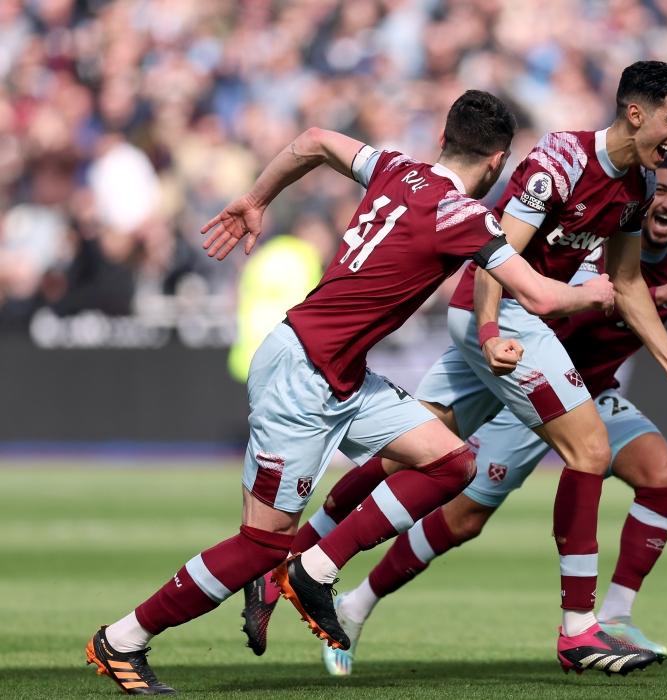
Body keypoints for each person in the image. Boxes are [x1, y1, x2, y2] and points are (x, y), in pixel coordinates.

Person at [84, 89, 614, 695]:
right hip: (302, 376)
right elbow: (540, 295)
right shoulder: (465, 218)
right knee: (259, 546)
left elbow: (313, 140)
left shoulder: (395, 168)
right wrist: (594, 293)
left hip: (341, 374)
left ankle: (314, 567)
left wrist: (256, 199)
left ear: (443, 139)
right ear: (498, 163)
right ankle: (122, 639)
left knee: (451, 461)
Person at [300, 153, 667, 676]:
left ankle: (614, 618)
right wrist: (662, 295)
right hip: (533, 390)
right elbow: (566, 321)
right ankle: (354, 598)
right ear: (643, 200)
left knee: (662, 474)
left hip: (593, 394)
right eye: (661, 192)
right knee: (456, 510)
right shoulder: (600, 252)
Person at [273, 60, 667, 676]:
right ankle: (578, 630)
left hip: (515, 321)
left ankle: (294, 559)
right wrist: (488, 331)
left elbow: (625, 281)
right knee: (589, 450)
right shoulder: (562, 160)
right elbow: (493, 254)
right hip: (502, 312)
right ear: (636, 113)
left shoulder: (636, 188)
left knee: (411, 450)